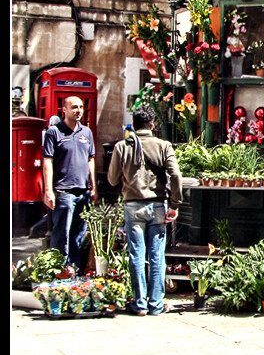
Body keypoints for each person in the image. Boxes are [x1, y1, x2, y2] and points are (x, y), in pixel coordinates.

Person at [107, 103, 183, 316]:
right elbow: (176, 175)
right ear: (153, 124)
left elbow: (112, 179)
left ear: (134, 124)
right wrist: (175, 204)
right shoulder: (163, 145)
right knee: (157, 254)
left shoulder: (122, 146)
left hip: (132, 205)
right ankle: (156, 304)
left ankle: (139, 304)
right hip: (158, 205)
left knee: (136, 254)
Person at [42, 96, 97, 271]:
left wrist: (93, 186)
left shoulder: (86, 132)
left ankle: (74, 269)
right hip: (64, 190)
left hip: (83, 191)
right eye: (74, 107)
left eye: (81, 107)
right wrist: (48, 190)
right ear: (64, 110)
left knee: (78, 234)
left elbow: (91, 160)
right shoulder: (54, 132)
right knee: (61, 233)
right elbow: (47, 161)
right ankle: (58, 270)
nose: (78, 110)